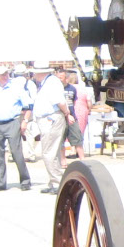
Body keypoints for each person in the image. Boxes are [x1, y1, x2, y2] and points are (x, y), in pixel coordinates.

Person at [0, 65, 31, 191]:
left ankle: (25, 181)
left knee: (16, 153)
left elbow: (27, 106)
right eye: (2, 75)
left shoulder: (16, 88)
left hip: (12, 122)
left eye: (6, 74)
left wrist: (24, 121)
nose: (5, 76)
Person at [31, 62, 71, 194]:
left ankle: (57, 182)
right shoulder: (48, 82)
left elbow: (59, 101)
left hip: (51, 119)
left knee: (49, 152)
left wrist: (66, 113)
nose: (34, 74)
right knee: (52, 151)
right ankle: (54, 182)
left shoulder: (52, 82)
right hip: (49, 118)